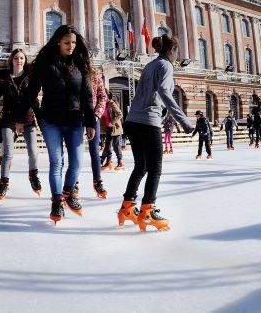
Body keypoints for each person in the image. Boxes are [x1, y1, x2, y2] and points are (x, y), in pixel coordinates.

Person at [17, 25, 95, 223]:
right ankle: (57, 200)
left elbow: (87, 96)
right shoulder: (45, 62)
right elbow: (31, 91)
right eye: (67, 42)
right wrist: (20, 118)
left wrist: (91, 122)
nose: (71, 46)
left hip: (75, 121)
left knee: (76, 162)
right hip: (51, 120)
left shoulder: (81, 63)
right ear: (58, 42)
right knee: (56, 162)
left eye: (74, 43)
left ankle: (68, 191)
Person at [117, 35, 194, 232]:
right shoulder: (166, 66)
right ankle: (148, 210)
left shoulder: (150, 65)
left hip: (132, 120)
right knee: (155, 169)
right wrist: (183, 120)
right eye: (176, 52)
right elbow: (164, 92)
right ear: (172, 51)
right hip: (148, 122)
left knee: (140, 166)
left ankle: (127, 207)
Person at [0, 49, 41, 201]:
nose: (19, 60)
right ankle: (3, 183)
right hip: (9, 117)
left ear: (25, 60)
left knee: (33, 152)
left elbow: (34, 99)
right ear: (11, 60)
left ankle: (33, 176)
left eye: (22, 58)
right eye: (16, 58)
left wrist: (41, 118)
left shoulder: (30, 78)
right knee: (7, 153)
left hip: (27, 116)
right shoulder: (4, 78)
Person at [83, 69, 107, 198]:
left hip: (93, 117)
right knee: (74, 151)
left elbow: (102, 96)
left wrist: (97, 115)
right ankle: (73, 183)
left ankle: (97, 180)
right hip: (75, 116)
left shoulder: (95, 74)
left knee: (94, 150)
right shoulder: (72, 71)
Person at [100, 92, 124, 172]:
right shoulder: (103, 105)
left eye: (104, 96)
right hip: (108, 129)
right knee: (107, 146)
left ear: (108, 96)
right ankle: (108, 162)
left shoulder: (112, 104)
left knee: (116, 146)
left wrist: (112, 122)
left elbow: (120, 114)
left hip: (115, 128)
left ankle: (120, 162)